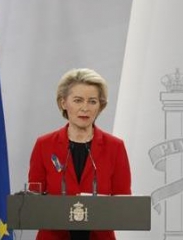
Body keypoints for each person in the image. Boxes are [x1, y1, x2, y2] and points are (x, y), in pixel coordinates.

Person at [28, 68, 132, 240]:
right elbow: (34, 200)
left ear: (100, 106)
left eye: (92, 101)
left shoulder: (115, 147)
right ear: (63, 103)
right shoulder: (44, 145)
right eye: (78, 100)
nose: (85, 108)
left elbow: (122, 204)